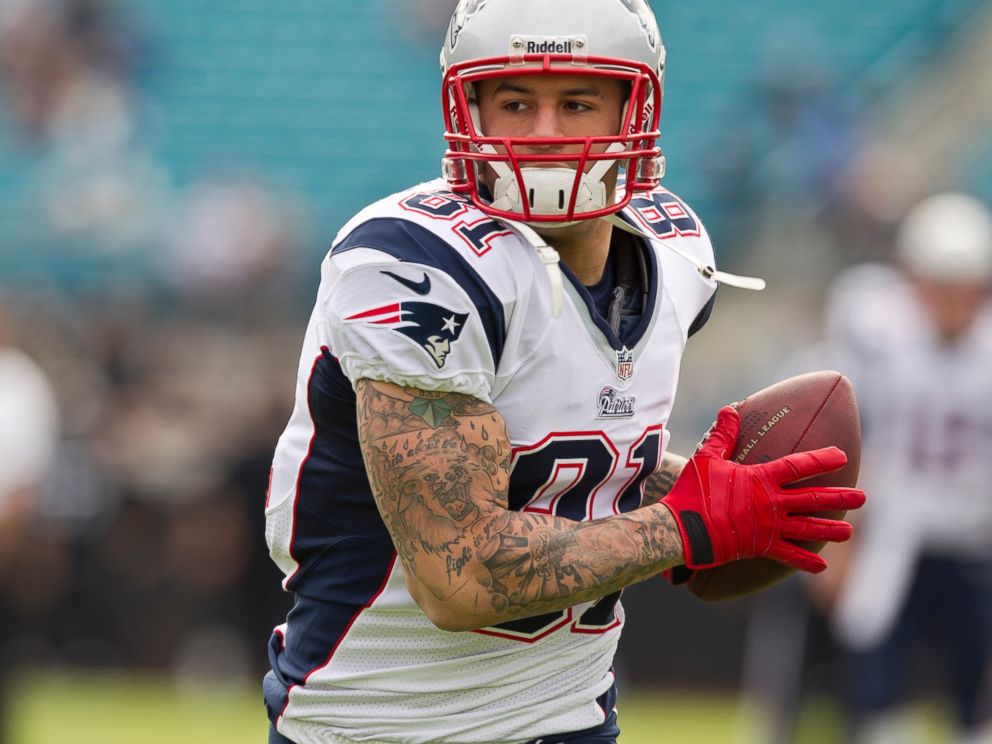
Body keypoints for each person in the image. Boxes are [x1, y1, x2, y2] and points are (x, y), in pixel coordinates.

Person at [262, 2, 865, 742]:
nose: (545, 135)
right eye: (517, 102)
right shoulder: (417, 268)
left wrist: (711, 491)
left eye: (577, 102)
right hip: (384, 720)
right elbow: (461, 574)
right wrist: (685, 527)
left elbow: (563, 457)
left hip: (573, 713)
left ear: (634, 108)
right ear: (470, 110)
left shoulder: (674, 257)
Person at [824, 193, 992, 744]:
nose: (951, 300)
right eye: (938, 282)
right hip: (892, 537)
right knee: (875, 690)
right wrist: (841, 543)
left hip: (974, 541)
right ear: (912, 280)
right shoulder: (877, 333)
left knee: (976, 700)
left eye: (963, 283)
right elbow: (846, 440)